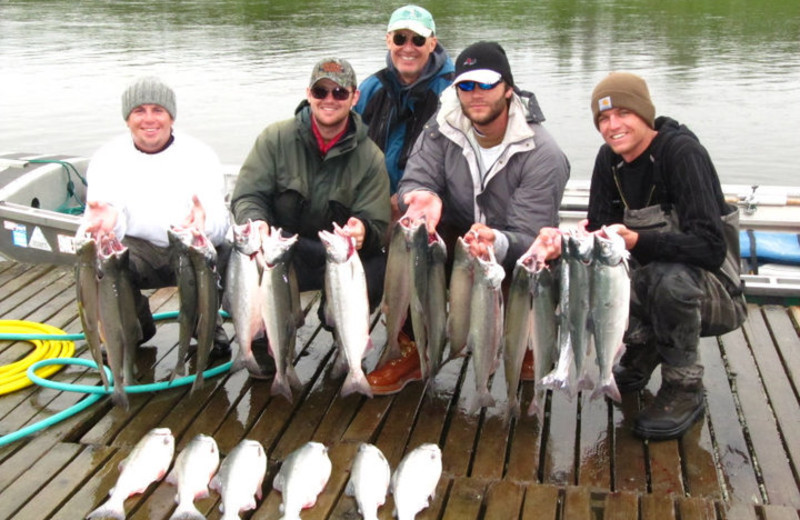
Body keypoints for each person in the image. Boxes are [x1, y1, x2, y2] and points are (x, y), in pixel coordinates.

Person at [533, 72, 747, 440]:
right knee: (584, 272)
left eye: (622, 113)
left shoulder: (682, 154)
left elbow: (710, 247)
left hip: (716, 293)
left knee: (668, 277)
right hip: (651, 281)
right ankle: (643, 348)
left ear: (644, 113)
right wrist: (567, 244)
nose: (612, 126)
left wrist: (636, 241)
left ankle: (684, 386)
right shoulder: (608, 161)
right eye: (602, 118)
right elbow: (602, 233)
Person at [366, 41, 571, 394]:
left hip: (514, 244)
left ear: (508, 89)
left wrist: (496, 242)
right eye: (466, 85)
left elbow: (530, 235)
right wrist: (422, 197)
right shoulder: (441, 126)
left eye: (486, 83)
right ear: (456, 90)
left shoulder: (543, 154)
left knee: (536, 262)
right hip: (457, 229)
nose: (475, 94)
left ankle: (521, 342)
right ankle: (411, 347)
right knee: (406, 227)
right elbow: (416, 176)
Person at [230, 58, 391, 378]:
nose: (329, 99)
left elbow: (378, 224)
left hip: (338, 255)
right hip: (286, 253)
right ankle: (263, 343)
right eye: (321, 91)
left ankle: (345, 343)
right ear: (308, 94)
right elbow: (247, 196)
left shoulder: (371, 156)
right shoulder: (274, 139)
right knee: (242, 260)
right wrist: (256, 221)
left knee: (376, 268)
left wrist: (363, 232)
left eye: (339, 92)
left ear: (354, 98)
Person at [80, 75, 231, 355]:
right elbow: (90, 226)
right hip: (138, 250)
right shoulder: (106, 158)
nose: (149, 119)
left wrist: (204, 224)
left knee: (220, 250)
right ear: (127, 118)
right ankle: (132, 327)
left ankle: (206, 326)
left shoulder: (200, 154)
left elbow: (221, 224)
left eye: (157, 110)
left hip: (185, 246)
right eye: (139, 111)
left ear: (171, 117)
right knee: (102, 261)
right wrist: (104, 227)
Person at [355, 4, 454, 219]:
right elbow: (351, 148)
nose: (408, 48)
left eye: (418, 40)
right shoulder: (370, 88)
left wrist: (406, 198)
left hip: (434, 209)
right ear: (388, 40)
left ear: (432, 44)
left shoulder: (454, 92)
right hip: (375, 206)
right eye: (400, 38)